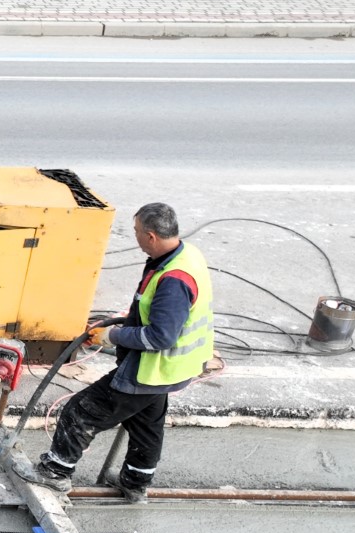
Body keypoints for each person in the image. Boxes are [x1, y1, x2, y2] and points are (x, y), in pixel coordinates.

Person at [16, 202, 213, 503]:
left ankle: (54, 473)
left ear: (150, 236)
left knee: (80, 413)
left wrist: (112, 335)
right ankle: (135, 484)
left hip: (149, 369)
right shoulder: (186, 255)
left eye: (135, 232)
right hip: (172, 371)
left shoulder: (174, 280)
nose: (133, 237)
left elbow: (160, 336)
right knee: (146, 426)